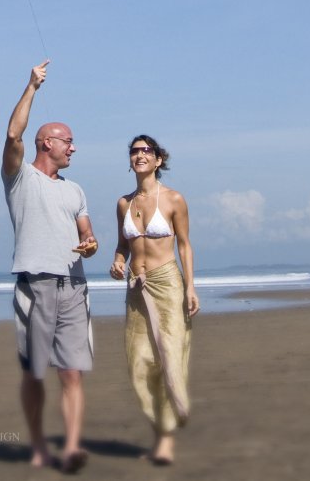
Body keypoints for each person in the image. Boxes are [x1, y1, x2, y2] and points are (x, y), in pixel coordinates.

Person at [2, 61, 98, 472]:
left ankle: (72, 446)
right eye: (68, 142)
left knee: (73, 372)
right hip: (35, 284)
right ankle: (39, 445)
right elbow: (13, 134)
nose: (73, 148)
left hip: (74, 286)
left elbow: (86, 233)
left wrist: (91, 246)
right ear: (47, 143)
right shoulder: (19, 176)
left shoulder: (75, 189)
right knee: (35, 373)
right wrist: (31, 87)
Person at [109, 134, 198, 467]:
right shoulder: (123, 203)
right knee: (139, 364)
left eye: (146, 151)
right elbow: (122, 245)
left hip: (168, 284)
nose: (139, 155)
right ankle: (165, 421)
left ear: (159, 160)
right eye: (134, 151)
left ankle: (166, 440)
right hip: (136, 286)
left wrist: (191, 287)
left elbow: (185, 245)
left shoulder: (174, 199)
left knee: (170, 358)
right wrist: (118, 262)